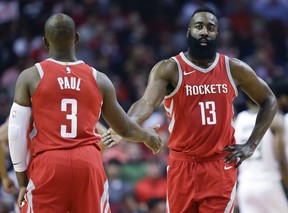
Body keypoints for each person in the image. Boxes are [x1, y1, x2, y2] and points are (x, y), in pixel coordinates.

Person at [106, 7, 278, 212]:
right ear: (189, 32)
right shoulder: (170, 68)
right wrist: (124, 126)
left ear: (217, 34)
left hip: (219, 166)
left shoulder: (233, 68)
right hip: (182, 165)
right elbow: (145, 104)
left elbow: (269, 100)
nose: (205, 31)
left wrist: (251, 144)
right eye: (199, 27)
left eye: (211, 28)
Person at [7, 13, 162, 213]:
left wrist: (21, 181)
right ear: (77, 38)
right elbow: (124, 127)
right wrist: (146, 136)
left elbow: (16, 132)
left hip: (49, 162)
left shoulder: (30, 76)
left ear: (45, 42)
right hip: (88, 163)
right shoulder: (99, 79)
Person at [235, 95, 288, 212]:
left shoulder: (239, 119)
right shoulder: (274, 119)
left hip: (245, 185)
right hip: (269, 183)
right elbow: (280, 158)